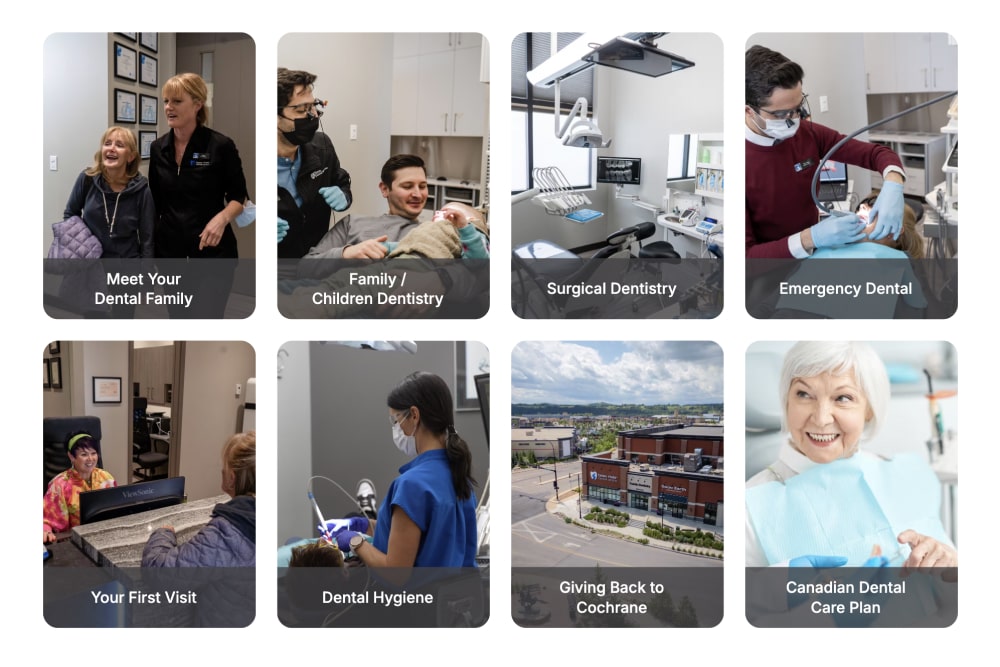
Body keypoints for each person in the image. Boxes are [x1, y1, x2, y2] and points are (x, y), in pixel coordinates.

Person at [745, 342, 957, 573]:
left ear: (869, 409)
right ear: (787, 402)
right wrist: (779, 584)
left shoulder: (904, 476)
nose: (821, 419)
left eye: (843, 398)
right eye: (804, 394)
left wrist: (951, 570)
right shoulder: (749, 507)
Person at [745, 45, 908, 259]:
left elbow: (876, 154)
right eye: (782, 114)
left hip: (815, 257)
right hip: (771, 271)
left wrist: (894, 184)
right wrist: (810, 238)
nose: (794, 119)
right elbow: (747, 258)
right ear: (749, 111)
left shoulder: (808, 134)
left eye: (798, 108)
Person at [325, 372, 478, 567]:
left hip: (414, 589)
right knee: (354, 519)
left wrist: (356, 542)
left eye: (395, 421)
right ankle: (367, 515)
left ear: (414, 415)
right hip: (462, 586)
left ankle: (368, 512)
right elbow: (423, 535)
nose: (396, 428)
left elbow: (395, 572)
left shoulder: (412, 486)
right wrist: (364, 526)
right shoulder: (460, 475)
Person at [148, 73, 248, 316]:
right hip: (171, 255)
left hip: (212, 254)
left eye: (176, 101)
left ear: (197, 104)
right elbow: (156, 203)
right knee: (179, 318)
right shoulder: (158, 148)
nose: (168, 107)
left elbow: (239, 198)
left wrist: (221, 219)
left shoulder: (220, 146)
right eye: (166, 101)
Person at [142, 432, 256, 567]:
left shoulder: (226, 534)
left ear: (231, 478)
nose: (222, 470)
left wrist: (163, 534)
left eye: (224, 465)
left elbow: (156, 568)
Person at [277, 68, 353, 259]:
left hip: (318, 258)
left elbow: (341, 182)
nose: (313, 116)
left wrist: (344, 195)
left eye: (313, 106)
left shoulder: (322, 146)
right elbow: (240, 205)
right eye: (302, 110)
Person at [62, 126, 154, 259]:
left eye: (119, 145)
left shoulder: (142, 190)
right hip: (90, 265)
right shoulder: (87, 179)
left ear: (130, 156)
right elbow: (70, 214)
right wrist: (80, 246)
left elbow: (147, 239)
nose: (111, 148)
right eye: (107, 143)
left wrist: (147, 269)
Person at [43, 432, 116, 542]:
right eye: (84, 454)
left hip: (105, 536)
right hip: (74, 541)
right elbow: (46, 520)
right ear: (71, 456)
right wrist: (45, 531)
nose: (90, 459)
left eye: (93, 453)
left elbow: (115, 510)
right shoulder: (59, 484)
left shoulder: (106, 477)